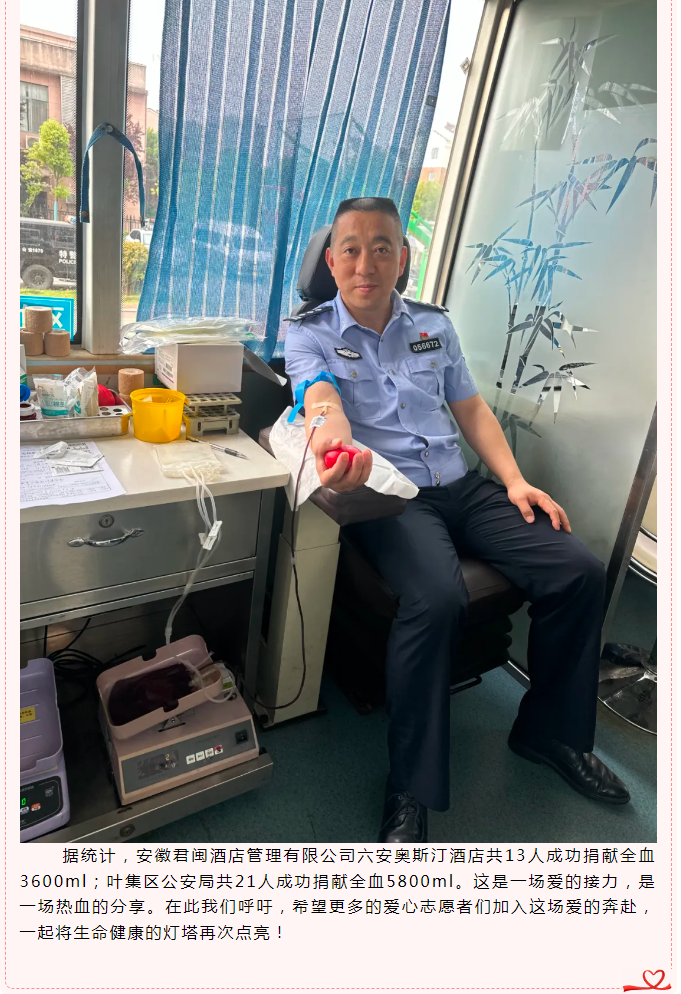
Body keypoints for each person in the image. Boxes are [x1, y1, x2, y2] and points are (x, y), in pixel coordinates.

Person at [284, 196, 630, 843]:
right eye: (351, 249)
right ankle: (411, 787)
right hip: (393, 500)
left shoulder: (433, 325)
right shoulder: (309, 332)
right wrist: (334, 448)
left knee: (578, 570)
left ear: (403, 259)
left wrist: (515, 481)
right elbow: (321, 400)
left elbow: (469, 409)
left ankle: (550, 734)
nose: (365, 263)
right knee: (437, 598)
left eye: (381, 248)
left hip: (463, 487)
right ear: (331, 262)